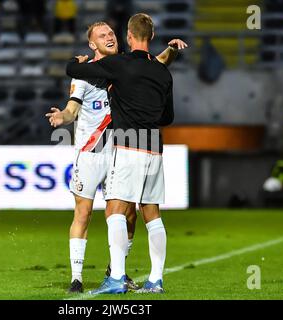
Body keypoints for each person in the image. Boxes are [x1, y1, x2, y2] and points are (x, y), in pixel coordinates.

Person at [47, 21, 185, 293]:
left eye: (111, 32)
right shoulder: (93, 75)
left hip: (122, 150)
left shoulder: (123, 65)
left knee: (127, 213)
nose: (109, 37)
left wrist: (172, 52)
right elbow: (72, 110)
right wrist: (61, 117)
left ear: (125, 37)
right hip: (93, 153)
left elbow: (152, 62)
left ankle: (115, 272)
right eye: (102, 35)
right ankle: (78, 278)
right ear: (92, 44)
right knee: (87, 213)